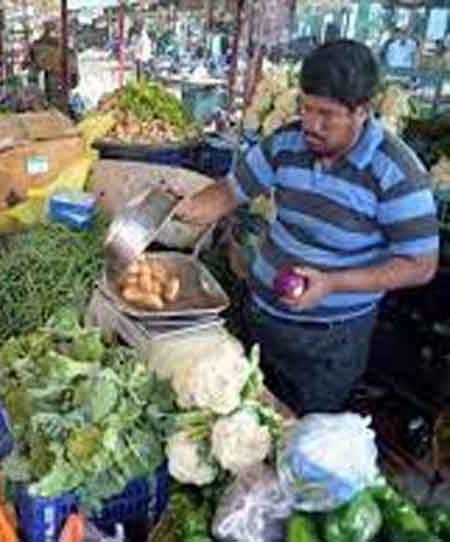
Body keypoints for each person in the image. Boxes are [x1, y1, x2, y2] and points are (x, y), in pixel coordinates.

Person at [173, 40, 439, 415]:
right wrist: (184, 208)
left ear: (362, 110)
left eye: (326, 114)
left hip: (328, 345)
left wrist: (332, 283)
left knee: (297, 436)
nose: (311, 124)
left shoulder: (396, 173)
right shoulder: (286, 141)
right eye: (306, 107)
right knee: (243, 414)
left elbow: (421, 265)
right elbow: (233, 189)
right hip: (261, 318)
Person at [25, 20, 79, 114]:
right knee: (54, 105)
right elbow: (30, 66)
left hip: (57, 82)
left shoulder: (63, 48)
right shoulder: (39, 46)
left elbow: (74, 73)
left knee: (57, 104)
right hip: (51, 82)